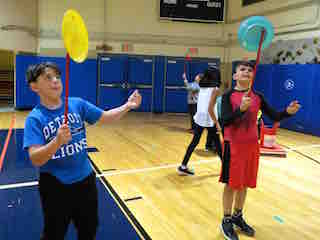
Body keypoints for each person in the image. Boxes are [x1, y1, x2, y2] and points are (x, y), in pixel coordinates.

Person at [23, 62, 141, 240]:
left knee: (89, 229)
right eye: (48, 77)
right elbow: (35, 159)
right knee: (54, 234)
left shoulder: (77, 104)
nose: (55, 81)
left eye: (57, 77)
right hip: (55, 186)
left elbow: (106, 117)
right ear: (34, 86)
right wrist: (57, 142)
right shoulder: (35, 119)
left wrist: (127, 106)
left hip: (85, 181)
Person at [219, 61, 300, 240]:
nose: (247, 72)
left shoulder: (258, 97)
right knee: (232, 184)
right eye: (242, 69)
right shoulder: (228, 96)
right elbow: (224, 121)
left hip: (251, 147)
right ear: (235, 76)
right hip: (233, 147)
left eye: (250, 70)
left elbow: (274, 116)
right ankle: (226, 219)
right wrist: (240, 109)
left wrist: (288, 112)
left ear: (253, 76)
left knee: (245, 183)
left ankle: (237, 216)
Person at [177, 67, 222, 176]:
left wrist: (185, 79)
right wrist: (217, 123)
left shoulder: (202, 86)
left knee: (194, 142)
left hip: (200, 118)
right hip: (209, 119)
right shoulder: (215, 89)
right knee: (218, 145)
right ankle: (226, 169)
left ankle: (183, 166)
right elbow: (210, 109)